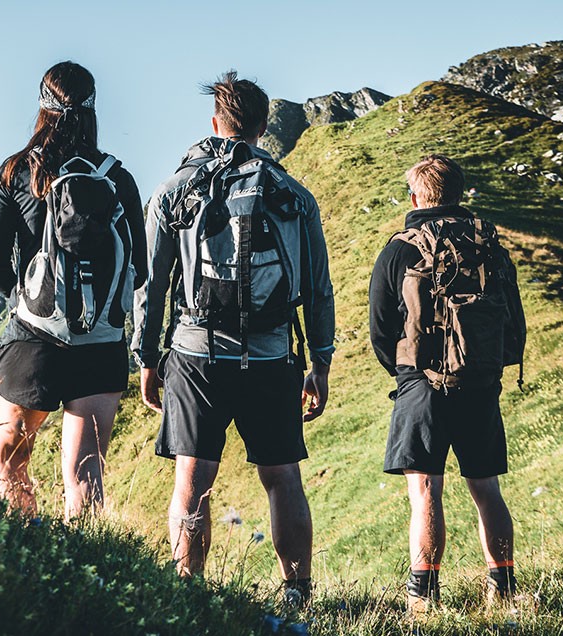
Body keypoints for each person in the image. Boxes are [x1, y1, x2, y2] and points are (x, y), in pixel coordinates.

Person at [132, 71, 335, 600]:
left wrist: (146, 359)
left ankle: (188, 593)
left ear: (215, 123)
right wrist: (321, 362)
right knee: (283, 477)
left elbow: (152, 285)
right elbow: (317, 288)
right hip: (270, 356)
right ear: (263, 126)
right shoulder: (292, 194)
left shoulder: (175, 189)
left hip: (196, 355)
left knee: (192, 482)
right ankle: (297, 593)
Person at [0, 61, 147, 520]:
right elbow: (142, 270)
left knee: (10, 463)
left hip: (35, 338)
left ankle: (25, 561)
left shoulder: (15, 172)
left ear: (42, 106)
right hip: (101, 344)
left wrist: (32, 303)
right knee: (85, 475)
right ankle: (86, 576)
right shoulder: (118, 178)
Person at [368, 154, 526, 613]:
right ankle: (504, 588)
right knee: (486, 488)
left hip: (421, 383)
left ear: (416, 196)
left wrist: (404, 371)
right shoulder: (490, 246)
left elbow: (381, 326)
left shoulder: (401, 248)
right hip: (480, 379)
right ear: (458, 193)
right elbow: (513, 320)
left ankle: (423, 597)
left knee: (425, 492)